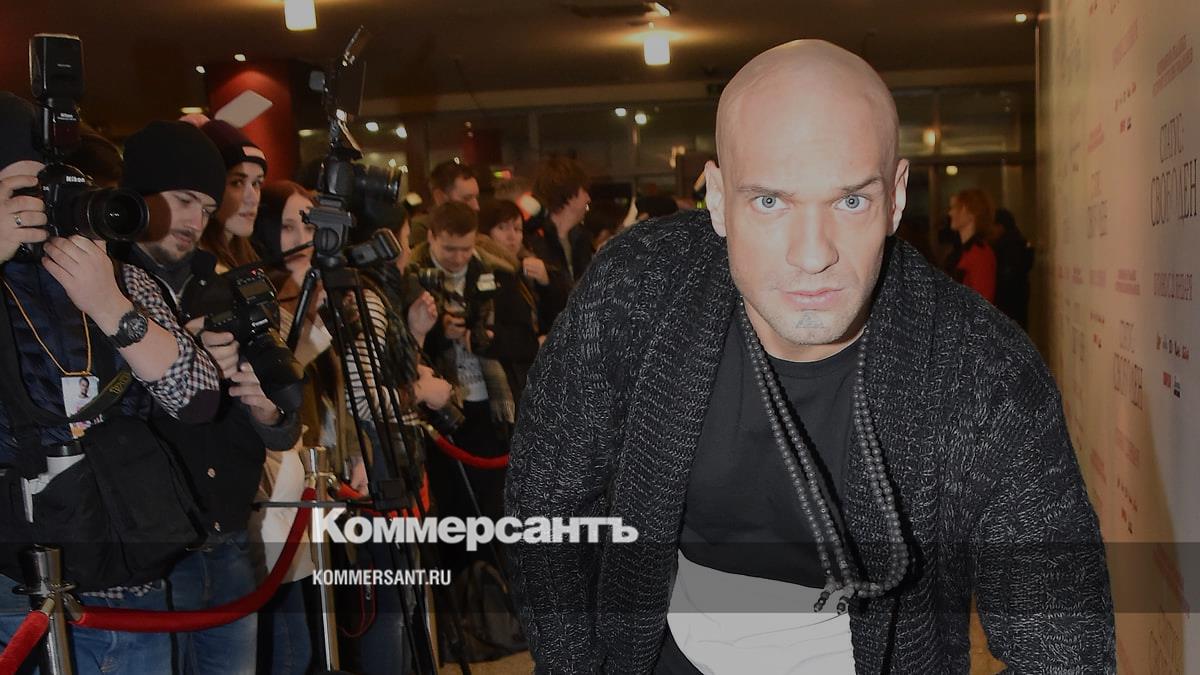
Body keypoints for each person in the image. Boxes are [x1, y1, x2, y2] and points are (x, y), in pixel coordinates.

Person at [506, 40, 1114, 673]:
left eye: (850, 201)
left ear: (896, 197)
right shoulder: (637, 291)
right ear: (718, 198)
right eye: (770, 201)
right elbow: (546, 497)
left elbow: (1064, 644)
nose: (813, 254)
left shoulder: (983, 372)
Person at [0, 93, 221, 674]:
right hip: (13, 585)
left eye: (50, 186)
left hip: (127, 570)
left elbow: (197, 398)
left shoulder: (117, 276)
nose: (41, 204)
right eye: (21, 189)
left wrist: (106, 302)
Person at [113, 119, 301, 675]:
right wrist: (183, 366)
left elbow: (284, 423)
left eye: (206, 206)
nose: (195, 221)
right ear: (139, 195)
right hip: (148, 555)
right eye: (182, 200)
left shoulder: (225, 284)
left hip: (229, 539)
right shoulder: (105, 285)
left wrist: (267, 408)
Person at [476, 198, 543, 400]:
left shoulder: (518, 268)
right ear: (486, 231)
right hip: (503, 376)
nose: (512, 236)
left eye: (517, 229)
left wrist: (546, 281)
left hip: (521, 373)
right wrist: (534, 344)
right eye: (502, 228)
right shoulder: (488, 270)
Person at [524, 156, 592, 329]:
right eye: (584, 191)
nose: (588, 198)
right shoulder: (533, 241)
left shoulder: (582, 239)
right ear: (570, 195)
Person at [192, 117, 268, 270]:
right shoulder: (194, 269)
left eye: (256, 183)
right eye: (237, 183)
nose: (253, 198)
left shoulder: (249, 258)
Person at [409, 160, 481, 247]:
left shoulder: (478, 234)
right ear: (440, 197)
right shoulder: (420, 229)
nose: (476, 207)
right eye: (466, 198)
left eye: (476, 198)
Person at [945, 188, 998, 303]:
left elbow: (982, 301)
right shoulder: (964, 251)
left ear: (970, 213)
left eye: (956, 208)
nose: (950, 213)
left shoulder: (980, 254)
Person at [990, 207, 1034, 328]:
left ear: (1000, 226)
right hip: (1018, 299)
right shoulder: (1019, 242)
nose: (990, 231)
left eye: (992, 226)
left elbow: (1007, 275)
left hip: (1008, 303)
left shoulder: (1007, 246)